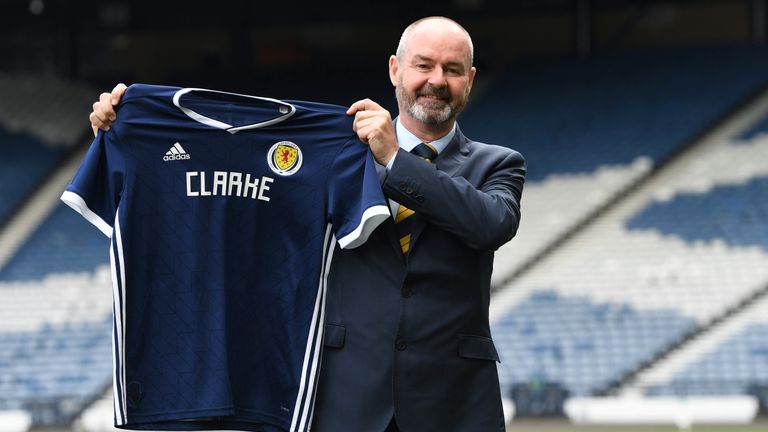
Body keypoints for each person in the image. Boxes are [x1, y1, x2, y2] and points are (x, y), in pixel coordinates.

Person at [89, 16, 525, 432]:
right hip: (343, 398)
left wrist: (395, 160)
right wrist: (123, 130)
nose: (436, 81)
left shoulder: (499, 163)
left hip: (456, 403)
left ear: (469, 79)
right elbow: (238, 175)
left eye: (451, 69)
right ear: (395, 70)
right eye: (423, 65)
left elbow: (490, 224)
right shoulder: (337, 152)